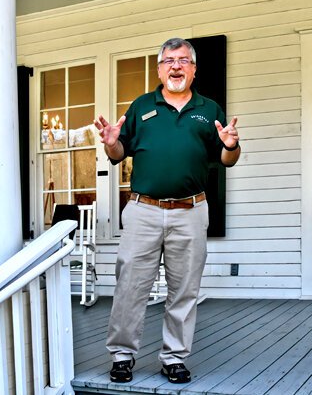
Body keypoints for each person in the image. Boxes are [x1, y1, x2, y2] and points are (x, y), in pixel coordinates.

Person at [94, 37, 241, 384]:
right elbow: (117, 155)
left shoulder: (209, 110)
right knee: (130, 286)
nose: (176, 66)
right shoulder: (143, 106)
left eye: (184, 61)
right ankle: (122, 355)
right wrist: (114, 143)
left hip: (190, 211)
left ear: (194, 70)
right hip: (143, 210)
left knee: (184, 289)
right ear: (160, 69)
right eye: (169, 60)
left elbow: (226, 159)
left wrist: (232, 146)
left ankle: (174, 357)